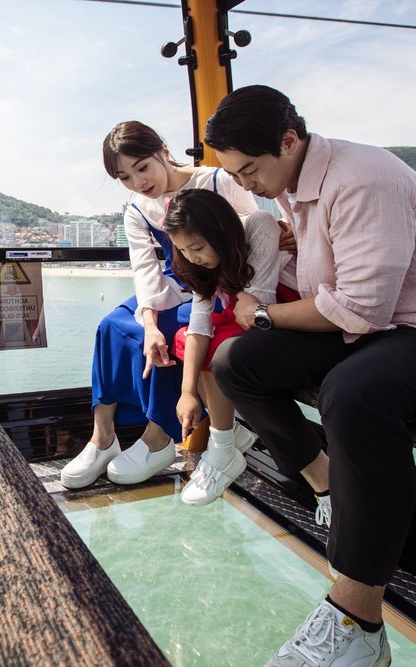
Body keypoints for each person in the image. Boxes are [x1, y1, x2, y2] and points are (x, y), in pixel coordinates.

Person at [203, 84, 416, 666]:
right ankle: (330, 484)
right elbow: (342, 296)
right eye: (234, 175)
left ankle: (358, 619)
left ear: (290, 140)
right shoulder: (294, 187)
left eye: (249, 170)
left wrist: (262, 314)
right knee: (236, 362)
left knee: (353, 394)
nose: (246, 185)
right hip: (381, 331)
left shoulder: (362, 178)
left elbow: (359, 310)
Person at [60, 120, 259, 490]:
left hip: (219, 286)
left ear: (163, 151)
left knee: (169, 332)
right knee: (111, 326)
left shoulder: (218, 181)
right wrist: (149, 323)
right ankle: (103, 437)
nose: (138, 182)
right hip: (173, 286)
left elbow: (255, 235)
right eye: (125, 177)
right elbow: (145, 270)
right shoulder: (138, 210)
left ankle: (159, 436)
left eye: (142, 168)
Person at [160, 189, 293, 506]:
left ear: (220, 231)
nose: (192, 258)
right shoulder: (204, 265)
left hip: (279, 306)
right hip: (245, 310)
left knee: (219, 343)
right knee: (184, 338)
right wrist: (187, 393)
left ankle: (222, 446)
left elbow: (258, 299)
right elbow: (198, 323)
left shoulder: (258, 224)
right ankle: (229, 433)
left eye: (197, 247)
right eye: (183, 250)